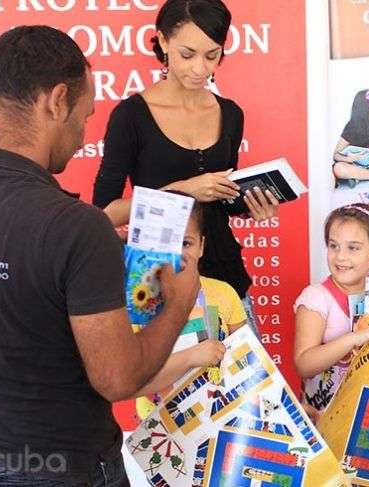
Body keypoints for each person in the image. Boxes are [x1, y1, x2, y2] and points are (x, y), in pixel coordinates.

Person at [0, 26, 201, 486]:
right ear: (56, 100)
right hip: (68, 467)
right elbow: (118, 380)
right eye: (84, 115)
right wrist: (177, 302)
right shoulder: (76, 226)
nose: (81, 135)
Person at [93, 0, 277, 334]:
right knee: (166, 384)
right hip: (155, 278)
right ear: (162, 42)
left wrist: (249, 205)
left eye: (212, 55)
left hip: (224, 272)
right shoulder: (131, 117)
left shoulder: (231, 114)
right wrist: (182, 191)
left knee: (247, 379)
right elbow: (104, 213)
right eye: (187, 54)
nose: (200, 69)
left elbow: (219, 200)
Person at [133, 194, 246, 419]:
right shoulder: (139, 302)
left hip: (219, 415)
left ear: (201, 245)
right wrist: (192, 356)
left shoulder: (223, 293)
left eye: (186, 243)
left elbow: (245, 361)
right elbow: (133, 381)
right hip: (159, 421)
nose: (177, 254)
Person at [294, 204, 369, 419]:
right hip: (327, 417)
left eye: (353, 248)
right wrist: (354, 338)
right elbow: (304, 364)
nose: (340, 257)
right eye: (333, 245)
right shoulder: (316, 297)